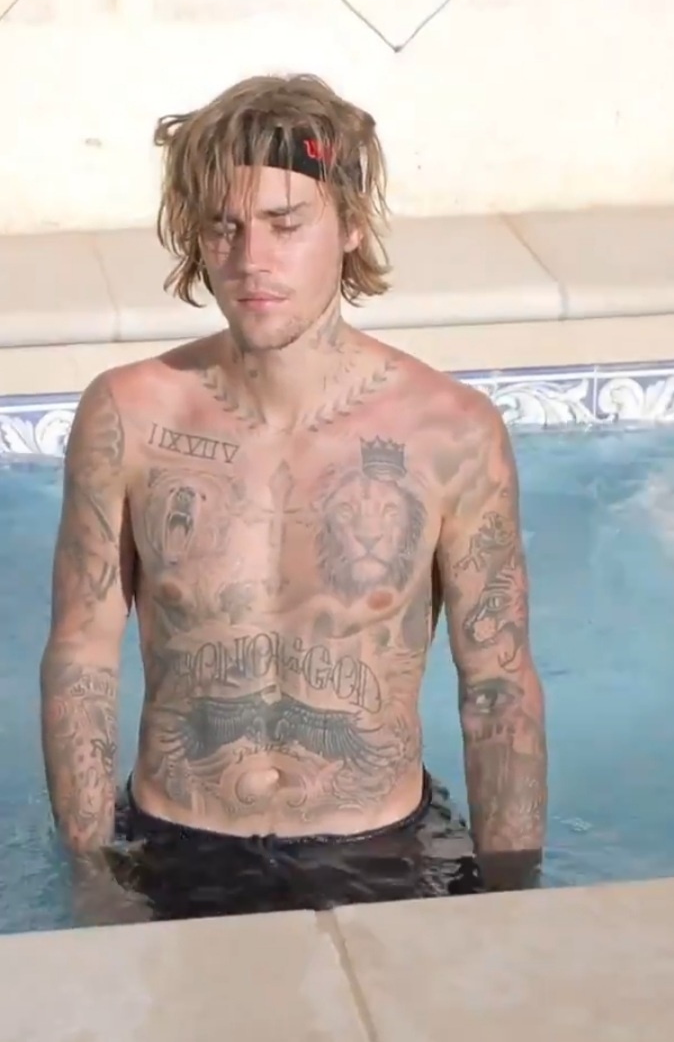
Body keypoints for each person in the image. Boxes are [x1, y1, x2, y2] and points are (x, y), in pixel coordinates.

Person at [40, 73, 547, 925]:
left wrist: (514, 899)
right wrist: (93, 875)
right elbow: (81, 655)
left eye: (285, 224)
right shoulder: (130, 415)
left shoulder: (450, 431)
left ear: (349, 225)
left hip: (382, 853)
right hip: (173, 846)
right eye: (224, 226)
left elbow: (496, 683)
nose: (251, 260)